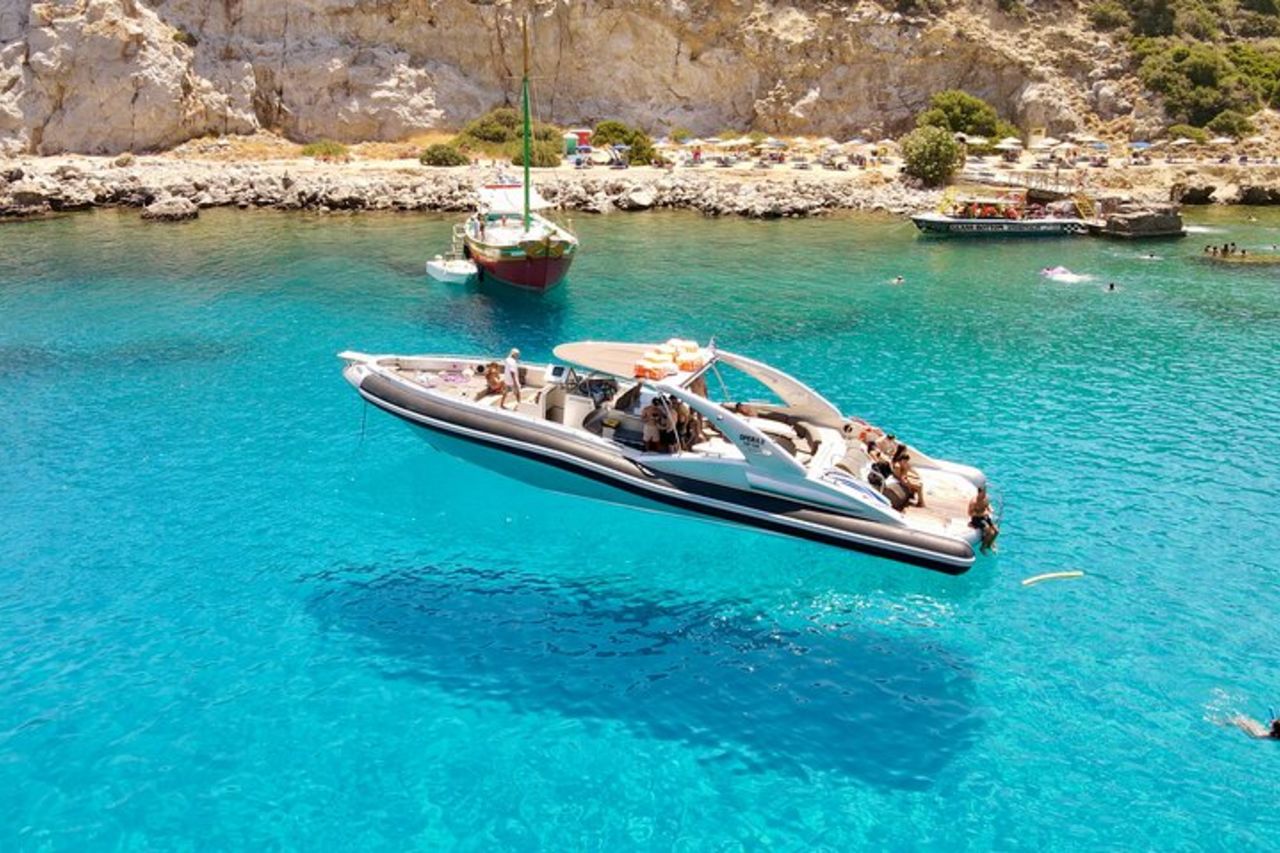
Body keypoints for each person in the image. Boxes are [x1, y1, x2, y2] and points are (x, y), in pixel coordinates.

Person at [968, 485, 999, 553]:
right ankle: (982, 547)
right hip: (977, 519)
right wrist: (983, 514)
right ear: (979, 493)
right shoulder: (974, 502)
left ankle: (990, 544)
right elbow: (970, 514)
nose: (984, 494)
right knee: (989, 531)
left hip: (985, 517)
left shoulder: (985, 498)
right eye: (983, 493)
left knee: (996, 531)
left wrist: (990, 509)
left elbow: (988, 505)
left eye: (985, 493)